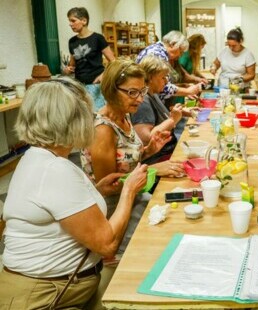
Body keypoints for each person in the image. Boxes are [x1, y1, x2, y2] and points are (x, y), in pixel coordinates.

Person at [0, 78, 148, 309]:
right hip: (45, 296)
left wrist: (96, 191)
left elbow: (58, 207)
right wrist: (128, 191)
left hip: (58, 286)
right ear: (74, 121)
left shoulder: (37, 157)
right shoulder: (55, 170)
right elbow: (107, 245)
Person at [81, 59, 184, 258]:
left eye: (142, 91)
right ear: (111, 89)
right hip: (114, 212)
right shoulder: (103, 129)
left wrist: (149, 150)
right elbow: (109, 186)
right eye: (132, 92)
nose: (139, 99)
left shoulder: (124, 115)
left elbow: (125, 161)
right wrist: (154, 170)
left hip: (132, 197)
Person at [132, 56, 183, 164]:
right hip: (158, 160)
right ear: (150, 78)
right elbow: (146, 139)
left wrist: (179, 113)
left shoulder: (153, 94)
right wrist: (172, 120)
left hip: (168, 151)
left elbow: (160, 120)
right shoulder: (143, 102)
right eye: (163, 77)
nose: (166, 81)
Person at [63, 7, 115, 111]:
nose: (70, 24)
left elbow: (114, 61)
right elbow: (72, 65)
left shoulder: (98, 38)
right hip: (79, 87)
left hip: (96, 86)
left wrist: (103, 74)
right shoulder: (72, 42)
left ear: (84, 21)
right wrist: (67, 70)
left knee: (97, 115)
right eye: (69, 21)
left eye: (73, 20)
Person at [136, 30, 204, 99]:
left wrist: (182, 86)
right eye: (180, 52)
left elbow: (163, 84)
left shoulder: (158, 49)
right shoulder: (158, 54)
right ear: (173, 44)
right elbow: (162, 88)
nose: (180, 56)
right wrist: (187, 91)